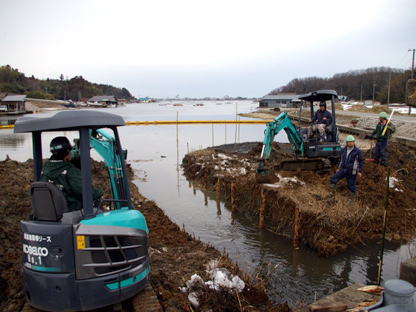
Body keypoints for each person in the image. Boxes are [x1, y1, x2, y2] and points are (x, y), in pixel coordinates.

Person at [40, 136, 103, 211]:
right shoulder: (71, 172)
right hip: (71, 212)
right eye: (70, 150)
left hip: (51, 212)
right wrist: (99, 192)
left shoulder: (44, 170)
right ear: (67, 153)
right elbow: (86, 192)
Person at [329, 135, 363, 201]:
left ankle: (352, 198)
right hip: (343, 169)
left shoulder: (357, 151)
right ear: (347, 143)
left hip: (351, 171)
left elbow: (360, 161)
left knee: (351, 185)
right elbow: (341, 159)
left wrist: (359, 171)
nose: (350, 143)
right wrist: (338, 167)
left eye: (352, 142)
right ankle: (332, 191)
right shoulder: (344, 150)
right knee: (333, 178)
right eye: (349, 142)